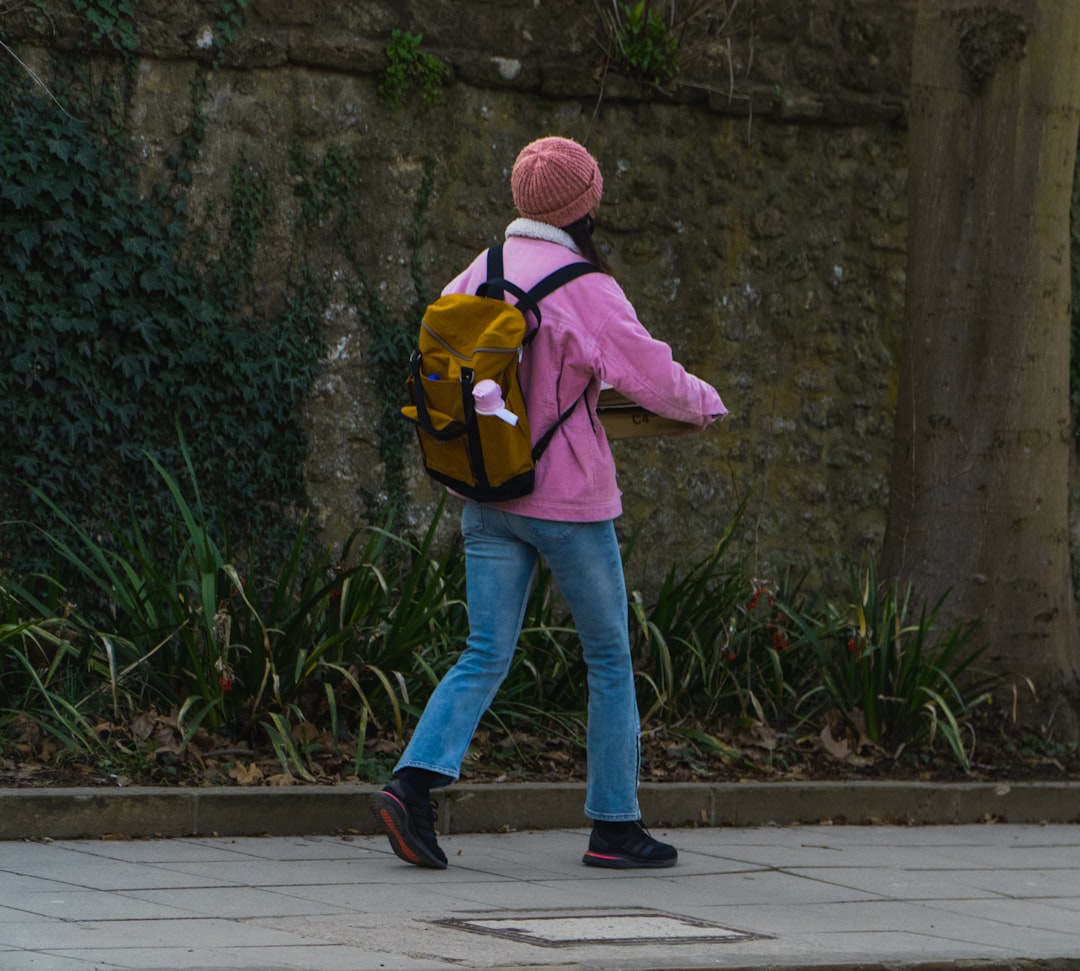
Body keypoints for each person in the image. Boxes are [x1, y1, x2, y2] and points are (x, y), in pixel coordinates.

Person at [370, 135, 727, 870]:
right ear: (586, 203)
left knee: (483, 651)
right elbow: (651, 375)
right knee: (608, 657)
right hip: (567, 504)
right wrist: (705, 404)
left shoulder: (479, 270)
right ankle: (614, 827)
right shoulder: (587, 286)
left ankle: (412, 783)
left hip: (486, 492)